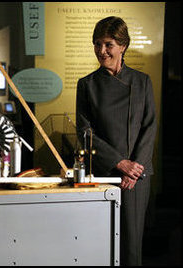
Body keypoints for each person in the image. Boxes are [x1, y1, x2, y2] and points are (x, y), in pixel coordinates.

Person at [76, 16, 157, 266]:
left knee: (131, 248)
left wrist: (134, 169)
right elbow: (84, 132)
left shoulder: (142, 82)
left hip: (136, 177)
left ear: (123, 46)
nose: (102, 51)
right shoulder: (87, 84)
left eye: (108, 44)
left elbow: (149, 126)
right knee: (99, 244)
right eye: (97, 44)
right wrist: (119, 163)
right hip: (103, 172)